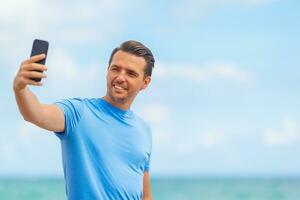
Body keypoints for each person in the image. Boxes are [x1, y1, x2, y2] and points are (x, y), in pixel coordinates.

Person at [13, 40, 155, 200]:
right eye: (116, 69)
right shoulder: (78, 112)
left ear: (145, 82)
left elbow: (145, 195)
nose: (120, 77)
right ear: (107, 71)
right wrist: (20, 88)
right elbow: (36, 114)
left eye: (131, 73)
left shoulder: (144, 130)